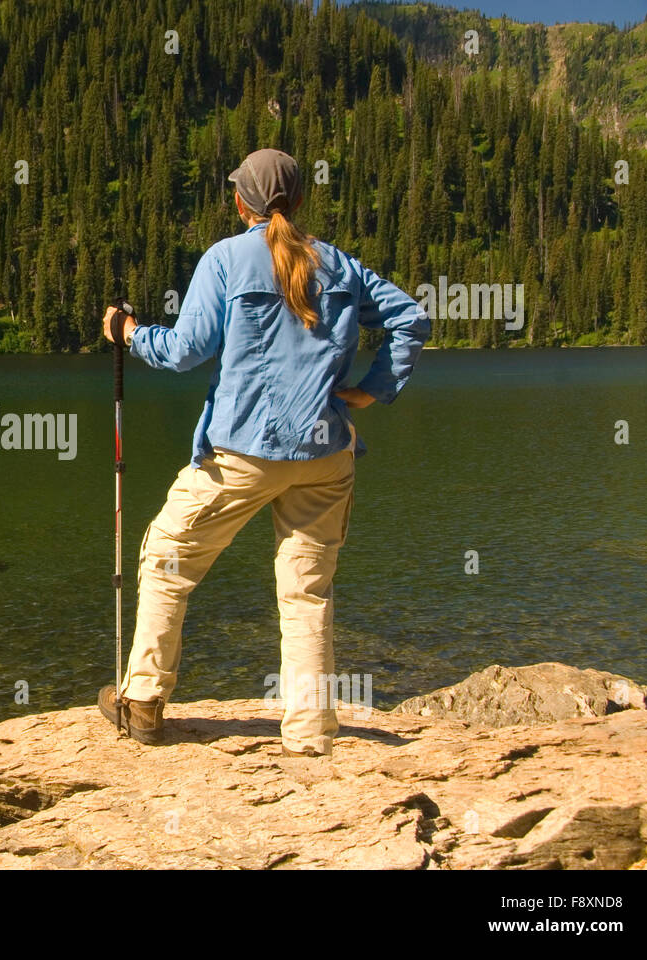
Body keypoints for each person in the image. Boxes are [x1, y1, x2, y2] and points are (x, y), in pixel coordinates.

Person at [98, 148, 430, 756]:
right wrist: (371, 390)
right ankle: (309, 733)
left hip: (239, 455)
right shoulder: (339, 265)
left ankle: (143, 701)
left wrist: (126, 332)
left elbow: (180, 352)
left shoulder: (226, 259)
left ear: (239, 200)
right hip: (326, 453)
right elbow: (411, 317)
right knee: (307, 592)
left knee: (166, 561)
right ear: (299, 200)